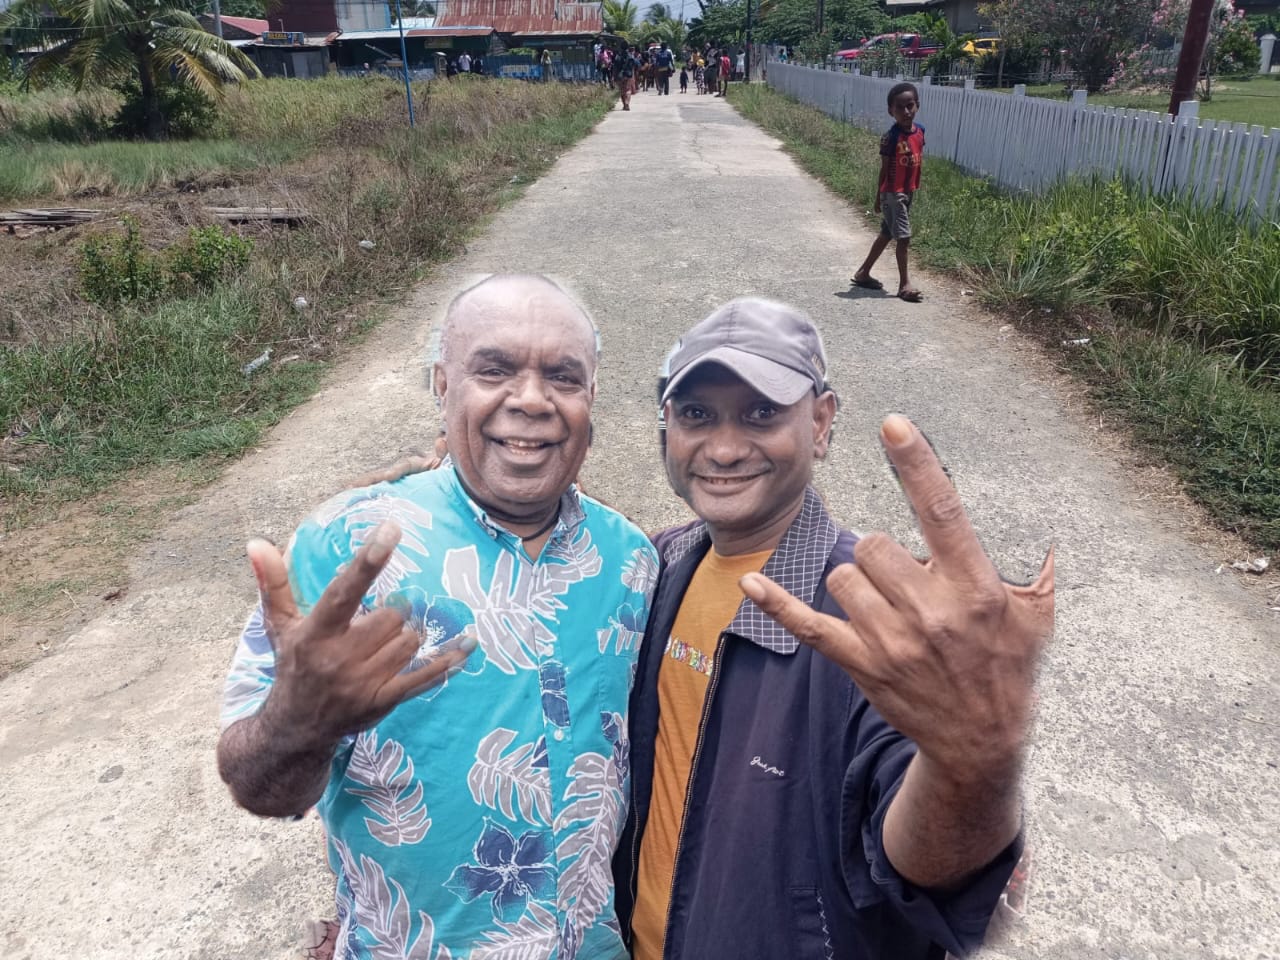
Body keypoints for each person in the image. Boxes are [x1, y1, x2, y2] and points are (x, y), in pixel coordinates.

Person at [216, 275, 659, 959]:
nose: (533, 399)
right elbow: (257, 786)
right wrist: (299, 724)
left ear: (590, 400)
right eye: (495, 369)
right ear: (442, 384)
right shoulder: (344, 547)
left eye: (563, 377)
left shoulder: (631, 561)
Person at [612, 298, 1052, 958]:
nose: (725, 448)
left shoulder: (875, 619)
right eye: (697, 414)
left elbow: (921, 865)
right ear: (665, 427)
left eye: (762, 413)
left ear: (820, 422)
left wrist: (972, 767)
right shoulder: (660, 563)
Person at [852, 82, 926, 302]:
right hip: (893, 193)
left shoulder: (920, 131)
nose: (906, 112)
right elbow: (884, 169)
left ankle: (863, 273)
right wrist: (878, 197)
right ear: (890, 111)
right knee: (903, 237)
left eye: (910, 106)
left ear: (917, 106)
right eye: (900, 108)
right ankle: (905, 285)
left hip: (907, 191)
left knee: (887, 233)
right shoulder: (890, 137)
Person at [616, 45, 637, 110]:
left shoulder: (618, 56)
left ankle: (624, 105)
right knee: (628, 90)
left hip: (620, 75)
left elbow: (615, 66)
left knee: (622, 90)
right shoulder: (631, 56)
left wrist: (614, 75)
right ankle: (627, 102)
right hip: (629, 75)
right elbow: (635, 65)